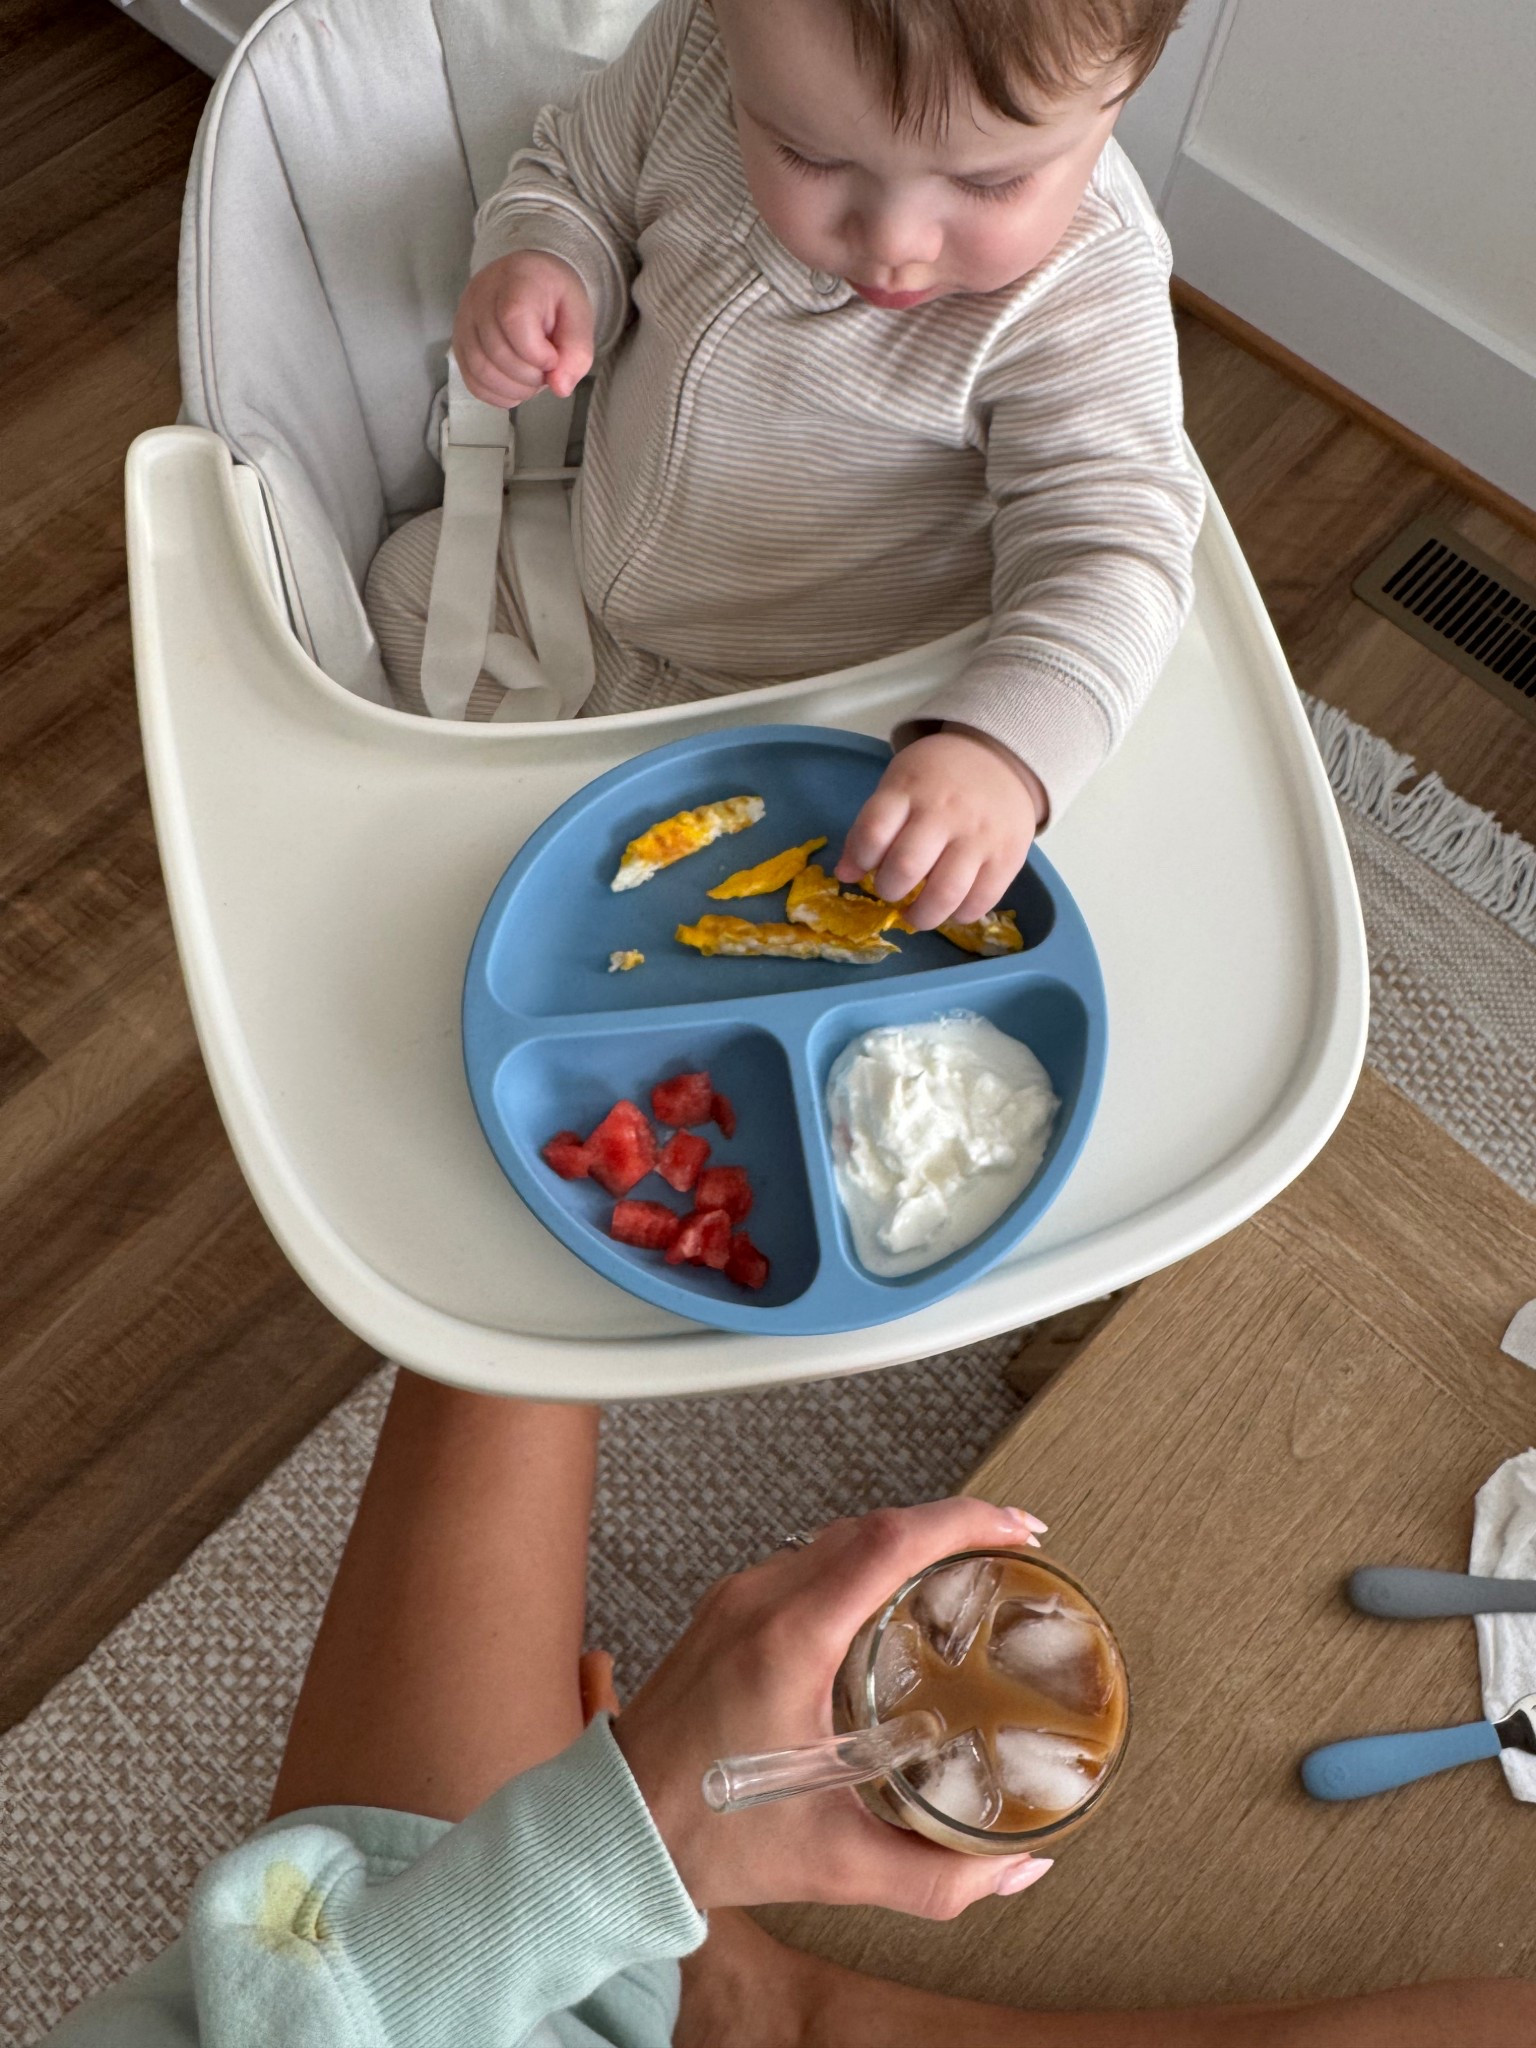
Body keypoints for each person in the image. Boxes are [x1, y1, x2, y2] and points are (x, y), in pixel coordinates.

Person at [46, 1371, 1536, 2045]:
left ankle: (750, 1995)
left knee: (502, 1319)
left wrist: (614, 1853)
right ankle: (781, 2008)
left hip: (368, 1986)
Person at [366, 0, 1207, 935]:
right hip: (593, 592)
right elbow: (576, 178)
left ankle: (602, 872)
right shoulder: (693, 55)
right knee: (410, 582)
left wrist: (1001, 751)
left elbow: (1114, 554)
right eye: (811, 157)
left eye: (992, 182)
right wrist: (547, 262)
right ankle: (553, 844)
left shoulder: (1085, 294)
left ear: (1119, 95)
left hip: (838, 705)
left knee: (873, 872)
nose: (895, 241)